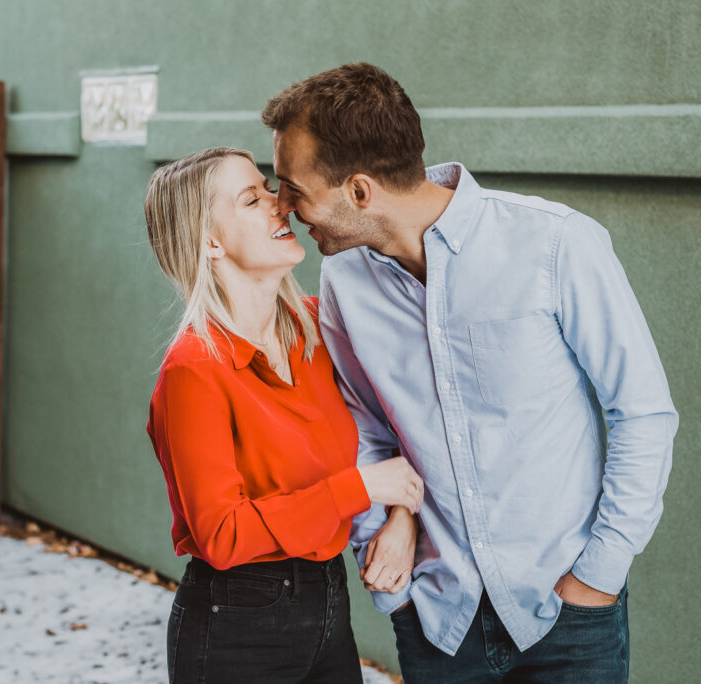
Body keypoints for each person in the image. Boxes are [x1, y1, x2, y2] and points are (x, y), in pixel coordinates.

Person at [262, 63, 678, 684]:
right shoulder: (346, 281)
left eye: (293, 188)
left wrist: (599, 574)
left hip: (570, 613)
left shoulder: (557, 244)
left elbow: (642, 412)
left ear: (358, 191)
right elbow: (367, 430)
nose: (283, 207)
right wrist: (392, 572)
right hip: (438, 619)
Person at [144, 146, 424, 683]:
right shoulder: (195, 369)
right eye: (252, 198)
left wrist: (403, 517)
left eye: (269, 189)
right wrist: (360, 489)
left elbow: (394, 432)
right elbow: (223, 534)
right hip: (236, 626)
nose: (281, 204)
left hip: (328, 602)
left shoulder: (318, 330)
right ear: (210, 242)